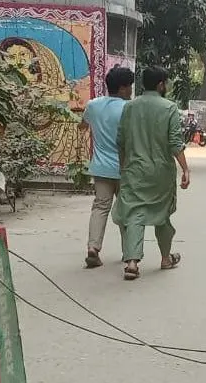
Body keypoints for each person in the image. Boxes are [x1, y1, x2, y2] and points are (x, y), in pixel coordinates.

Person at [113, 66, 191, 281]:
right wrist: (185, 169)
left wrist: (123, 167)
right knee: (162, 214)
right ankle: (165, 258)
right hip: (160, 172)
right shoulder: (169, 108)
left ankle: (131, 262)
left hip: (134, 170)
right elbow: (175, 143)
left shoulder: (129, 107)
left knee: (134, 215)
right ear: (160, 85)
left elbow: (121, 141)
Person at [78, 66, 136, 269]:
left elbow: (82, 126)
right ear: (121, 88)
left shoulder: (93, 105)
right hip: (125, 168)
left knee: (100, 207)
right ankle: (129, 252)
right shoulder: (129, 108)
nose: (130, 90)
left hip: (101, 167)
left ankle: (93, 248)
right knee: (127, 210)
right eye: (129, 87)